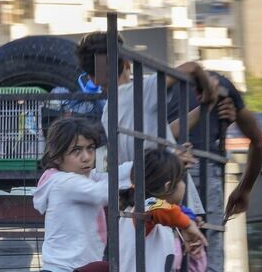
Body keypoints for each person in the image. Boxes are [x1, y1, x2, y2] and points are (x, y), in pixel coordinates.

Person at [168, 75, 262, 272]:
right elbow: (259, 143)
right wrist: (244, 188)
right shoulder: (221, 87)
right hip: (205, 172)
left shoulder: (154, 89)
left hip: (162, 173)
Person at [76, 31, 217, 216]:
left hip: (140, 205)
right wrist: (209, 91)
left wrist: (203, 109)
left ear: (92, 78)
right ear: (127, 63)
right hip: (171, 195)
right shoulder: (142, 89)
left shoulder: (107, 113)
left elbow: (164, 131)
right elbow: (192, 67)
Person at [31, 116, 132, 272]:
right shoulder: (62, 182)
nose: (86, 157)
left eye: (90, 148)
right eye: (76, 151)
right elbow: (101, 192)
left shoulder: (87, 178)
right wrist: (148, 169)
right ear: (58, 155)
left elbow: (115, 175)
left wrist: (145, 166)